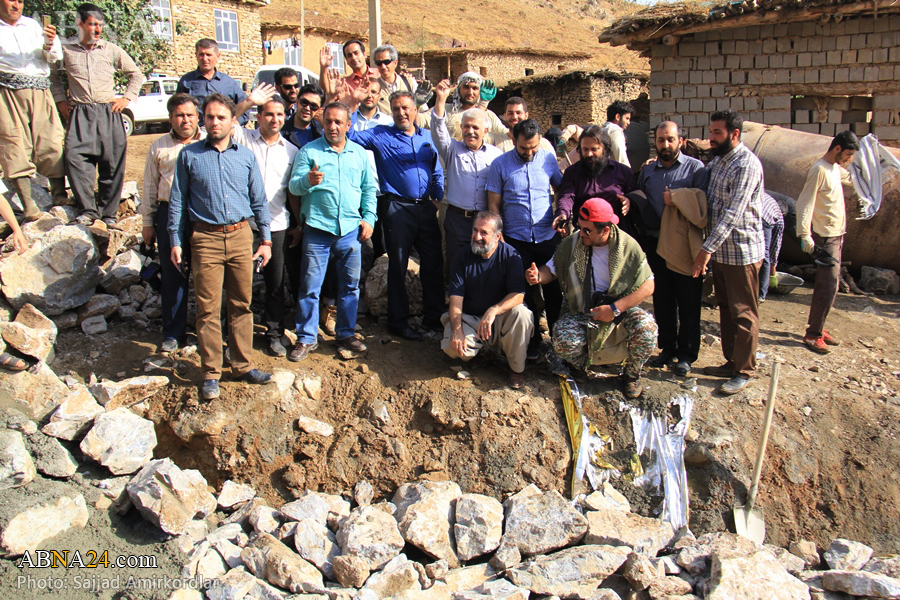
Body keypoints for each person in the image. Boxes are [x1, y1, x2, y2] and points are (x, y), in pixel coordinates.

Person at [168, 93, 274, 401]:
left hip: (241, 236)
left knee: (242, 303)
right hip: (205, 239)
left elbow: (259, 200)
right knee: (208, 308)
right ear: (204, 119)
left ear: (232, 121)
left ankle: (241, 365)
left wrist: (265, 239)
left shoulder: (245, 156)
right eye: (210, 117)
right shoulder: (190, 156)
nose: (215, 122)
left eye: (221, 117)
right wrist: (175, 240)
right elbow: (178, 200)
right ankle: (211, 372)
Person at [526, 198, 656, 398]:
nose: (581, 233)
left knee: (647, 329)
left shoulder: (628, 247)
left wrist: (614, 309)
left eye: (588, 230)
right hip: (583, 308)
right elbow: (550, 270)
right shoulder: (572, 244)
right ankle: (579, 368)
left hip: (619, 309)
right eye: (580, 227)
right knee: (561, 338)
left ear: (605, 230)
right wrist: (537, 277)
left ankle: (631, 375)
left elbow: (649, 285)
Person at [348, 90, 445, 341]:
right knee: (398, 266)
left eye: (405, 108)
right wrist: (350, 103)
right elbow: (350, 135)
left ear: (414, 110)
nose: (401, 113)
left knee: (433, 264)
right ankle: (398, 322)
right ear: (391, 112)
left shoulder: (426, 137)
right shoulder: (381, 135)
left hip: (425, 208)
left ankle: (434, 317)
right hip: (397, 209)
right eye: (396, 109)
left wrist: (437, 197)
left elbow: (436, 170)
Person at [287, 102, 377, 361]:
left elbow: (368, 189)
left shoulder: (359, 153)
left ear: (349, 125)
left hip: (350, 231)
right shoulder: (309, 152)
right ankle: (306, 337)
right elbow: (293, 187)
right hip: (317, 230)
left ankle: (346, 333)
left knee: (349, 287)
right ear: (323, 123)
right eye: (328, 121)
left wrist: (369, 218)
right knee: (310, 286)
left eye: (339, 122)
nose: (333, 126)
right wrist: (308, 181)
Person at [51, 3, 144, 227]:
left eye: (100, 25)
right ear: (80, 24)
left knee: (112, 164)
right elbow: (53, 76)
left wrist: (126, 98)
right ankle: (88, 210)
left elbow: (136, 74)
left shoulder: (111, 50)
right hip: (80, 113)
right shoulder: (66, 50)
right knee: (75, 159)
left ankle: (109, 214)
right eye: (92, 24)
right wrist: (60, 101)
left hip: (108, 112)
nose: (97, 30)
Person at [692, 109, 765, 396]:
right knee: (725, 307)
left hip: (741, 251)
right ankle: (731, 361)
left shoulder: (747, 165)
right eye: (710, 131)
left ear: (734, 134)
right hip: (722, 252)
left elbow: (733, 213)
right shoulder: (720, 160)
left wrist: (706, 249)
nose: (711, 137)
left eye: (717, 133)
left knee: (743, 312)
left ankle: (744, 370)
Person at [487, 118, 564, 360]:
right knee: (524, 293)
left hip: (547, 237)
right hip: (516, 240)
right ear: (513, 140)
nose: (530, 153)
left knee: (553, 291)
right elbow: (493, 204)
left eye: (534, 148)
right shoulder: (500, 165)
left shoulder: (548, 159)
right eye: (524, 149)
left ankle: (559, 342)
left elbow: (561, 188)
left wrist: (561, 213)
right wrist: (498, 237)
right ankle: (532, 342)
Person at [638, 121, 708, 376]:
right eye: (660, 140)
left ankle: (686, 355)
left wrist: (678, 199)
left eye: (670, 139)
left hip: (684, 244)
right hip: (655, 244)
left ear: (681, 141)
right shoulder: (648, 171)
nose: (665, 145)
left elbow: (701, 206)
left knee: (688, 300)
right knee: (663, 298)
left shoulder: (695, 169)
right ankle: (667, 348)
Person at [231, 97, 299, 357]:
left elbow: (293, 193)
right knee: (240, 282)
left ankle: (273, 333)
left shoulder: (291, 151)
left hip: (277, 224)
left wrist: (298, 224)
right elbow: (228, 122)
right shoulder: (244, 140)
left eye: (280, 114)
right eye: (269, 114)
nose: (275, 119)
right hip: (244, 224)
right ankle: (239, 336)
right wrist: (248, 102)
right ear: (258, 117)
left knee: (275, 283)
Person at [141, 93, 204, 354]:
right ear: (170, 118)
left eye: (190, 115)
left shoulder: (209, 142)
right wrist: (148, 222)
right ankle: (173, 332)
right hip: (169, 216)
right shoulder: (158, 146)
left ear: (197, 116)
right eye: (179, 115)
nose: (185, 120)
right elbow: (149, 186)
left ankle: (206, 332)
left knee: (205, 276)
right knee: (173, 275)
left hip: (201, 214)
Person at [443, 212, 533, 389]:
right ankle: (480, 353)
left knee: (522, 314)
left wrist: (493, 311)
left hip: (500, 321)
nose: (477, 237)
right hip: (471, 320)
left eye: (484, 232)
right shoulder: (462, 256)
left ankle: (516, 369)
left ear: (498, 236)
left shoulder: (510, 255)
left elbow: (518, 295)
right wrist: (457, 329)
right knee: (451, 347)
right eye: (475, 230)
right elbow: (455, 299)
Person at [0, 0, 67, 219]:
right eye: (11, 0)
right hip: (8, 92)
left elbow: (54, 57)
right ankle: (29, 206)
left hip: (40, 90)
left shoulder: (33, 26)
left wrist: (49, 44)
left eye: (20, 1)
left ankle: (59, 195)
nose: (16, 5)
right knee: (14, 143)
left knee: (52, 139)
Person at [795, 130, 859, 354]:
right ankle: (813, 335)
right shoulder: (819, 169)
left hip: (836, 234)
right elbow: (805, 202)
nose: (849, 159)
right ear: (837, 149)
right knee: (827, 285)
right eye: (848, 154)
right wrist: (804, 234)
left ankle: (819, 328)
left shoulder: (834, 169)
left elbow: (852, 179)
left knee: (832, 287)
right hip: (824, 237)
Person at [431, 78, 502, 261]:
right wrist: (440, 99)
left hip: (485, 220)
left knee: (483, 264)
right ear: (461, 128)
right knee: (457, 263)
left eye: (475, 127)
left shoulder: (496, 155)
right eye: (467, 127)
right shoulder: (452, 150)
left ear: (485, 130)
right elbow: (438, 129)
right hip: (457, 221)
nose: (471, 131)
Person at [558, 124, 637, 229]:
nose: (589, 154)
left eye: (594, 149)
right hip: (585, 234)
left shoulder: (623, 172)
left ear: (604, 148)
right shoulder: (572, 173)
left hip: (617, 232)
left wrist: (629, 200)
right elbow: (567, 197)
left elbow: (636, 196)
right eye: (585, 150)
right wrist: (563, 214)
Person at [176, 39, 256, 126]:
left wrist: (236, 122)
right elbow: (177, 109)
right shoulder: (186, 82)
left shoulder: (228, 83)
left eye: (208, 55)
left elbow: (245, 106)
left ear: (218, 56)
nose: (205, 59)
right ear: (196, 55)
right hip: (197, 134)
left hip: (223, 134)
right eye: (201, 54)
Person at [444, 71, 507, 142]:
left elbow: (507, 135)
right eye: (466, 87)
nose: (470, 92)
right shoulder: (446, 110)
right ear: (458, 90)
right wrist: (440, 99)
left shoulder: (489, 115)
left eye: (475, 88)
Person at [758, 192, 785, 302]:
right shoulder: (779, 216)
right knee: (765, 254)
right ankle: (761, 294)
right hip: (763, 218)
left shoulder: (767, 197)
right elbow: (775, 246)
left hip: (748, 212)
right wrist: (772, 273)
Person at [600, 100, 633, 168]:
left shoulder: (601, 130)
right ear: (617, 117)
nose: (628, 122)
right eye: (627, 118)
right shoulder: (615, 131)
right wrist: (627, 173)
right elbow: (620, 155)